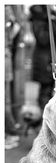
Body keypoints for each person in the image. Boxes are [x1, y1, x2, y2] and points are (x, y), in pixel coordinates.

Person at [29, 5, 56, 111]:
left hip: (54, 57)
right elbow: (43, 39)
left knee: (53, 89)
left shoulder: (53, 14)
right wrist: (51, 21)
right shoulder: (40, 16)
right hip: (45, 60)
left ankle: (50, 117)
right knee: (45, 91)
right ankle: (44, 118)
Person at [5, 5, 21, 149]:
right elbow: (15, 27)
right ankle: (11, 132)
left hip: (5, 54)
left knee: (4, 101)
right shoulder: (8, 10)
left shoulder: (6, 9)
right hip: (6, 53)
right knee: (5, 100)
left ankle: (11, 132)